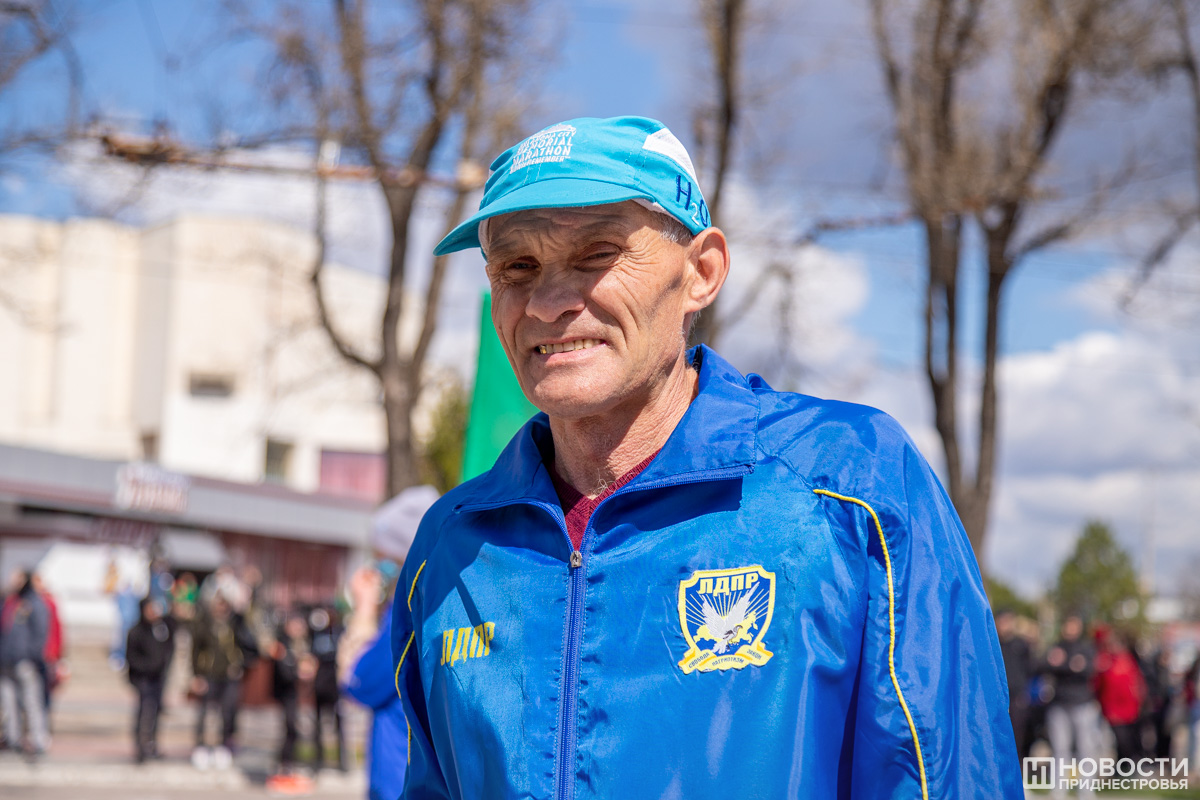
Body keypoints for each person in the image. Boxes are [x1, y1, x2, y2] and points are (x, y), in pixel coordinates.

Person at [388, 116, 1021, 798]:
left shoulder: (850, 486)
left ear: (701, 272)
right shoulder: (449, 545)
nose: (547, 303)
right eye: (518, 267)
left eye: (597, 253)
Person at [339, 485, 440, 800]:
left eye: (382, 557)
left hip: (400, 783)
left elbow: (358, 683)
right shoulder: (433, 606)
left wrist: (364, 609)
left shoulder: (410, 612)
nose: (377, 568)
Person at [190, 592, 257, 770]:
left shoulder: (235, 623)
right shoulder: (204, 624)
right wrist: (196, 675)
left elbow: (246, 642)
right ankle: (201, 746)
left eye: (224, 605)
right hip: (209, 674)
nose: (221, 609)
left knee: (228, 711)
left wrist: (239, 665)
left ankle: (224, 744)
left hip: (229, 675)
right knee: (205, 712)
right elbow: (195, 650)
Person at [1044, 615, 1099, 799]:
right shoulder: (1056, 646)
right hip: (1059, 704)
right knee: (1060, 748)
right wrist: (1070, 665)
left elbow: (1088, 670)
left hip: (1082, 704)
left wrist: (1063, 665)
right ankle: (1059, 790)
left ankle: (1086, 790)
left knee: (1086, 748)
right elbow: (1043, 665)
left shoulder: (1086, 648)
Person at [0, 569, 50, 757]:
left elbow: (40, 632)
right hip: (6, 660)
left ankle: (38, 740)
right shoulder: (10, 601)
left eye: (17, 578)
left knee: (31, 701)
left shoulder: (34, 603)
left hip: (25, 661)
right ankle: (13, 738)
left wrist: (32, 655)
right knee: (8, 702)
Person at [125, 597, 176, 763]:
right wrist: (148, 667)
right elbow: (131, 657)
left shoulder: (161, 628)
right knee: (144, 711)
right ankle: (140, 746)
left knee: (157, 711)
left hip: (158, 677)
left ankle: (152, 744)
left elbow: (169, 642)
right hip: (143, 678)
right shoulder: (136, 631)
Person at [269, 611, 317, 780]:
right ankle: (284, 763)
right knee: (290, 727)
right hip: (286, 692)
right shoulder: (282, 644)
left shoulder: (305, 643)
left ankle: (289, 762)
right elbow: (282, 670)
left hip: (299, 692)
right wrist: (298, 673)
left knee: (295, 728)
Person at [1092, 628, 1145, 763]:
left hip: (1129, 707)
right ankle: (1123, 765)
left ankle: (1127, 765)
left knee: (1128, 739)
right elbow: (1098, 683)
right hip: (1112, 708)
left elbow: (1136, 682)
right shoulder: (1105, 661)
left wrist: (1139, 701)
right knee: (1119, 739)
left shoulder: (1126, 660)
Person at [309, 605, 345, 772]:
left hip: (335, 684)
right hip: (319, 684)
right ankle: (318, 759)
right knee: (318, 724)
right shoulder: (315, 634)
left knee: (339, 724)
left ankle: (342, 760)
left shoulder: (338, 632)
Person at [996, 610, 1035, 761]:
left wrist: (1024, 692)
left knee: (1017, 736)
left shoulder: (1020, 645)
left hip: (1017, 697)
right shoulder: (993, 644)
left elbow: (1030, 668)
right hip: (998, 698)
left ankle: (1017, 768)